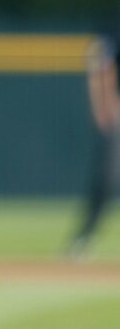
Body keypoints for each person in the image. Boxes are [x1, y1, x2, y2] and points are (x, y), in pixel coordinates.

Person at [67, 20, 120, 258]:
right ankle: (84, 238)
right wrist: (103, 104)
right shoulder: (113, 26)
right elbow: (100, 65)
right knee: (107, 178)